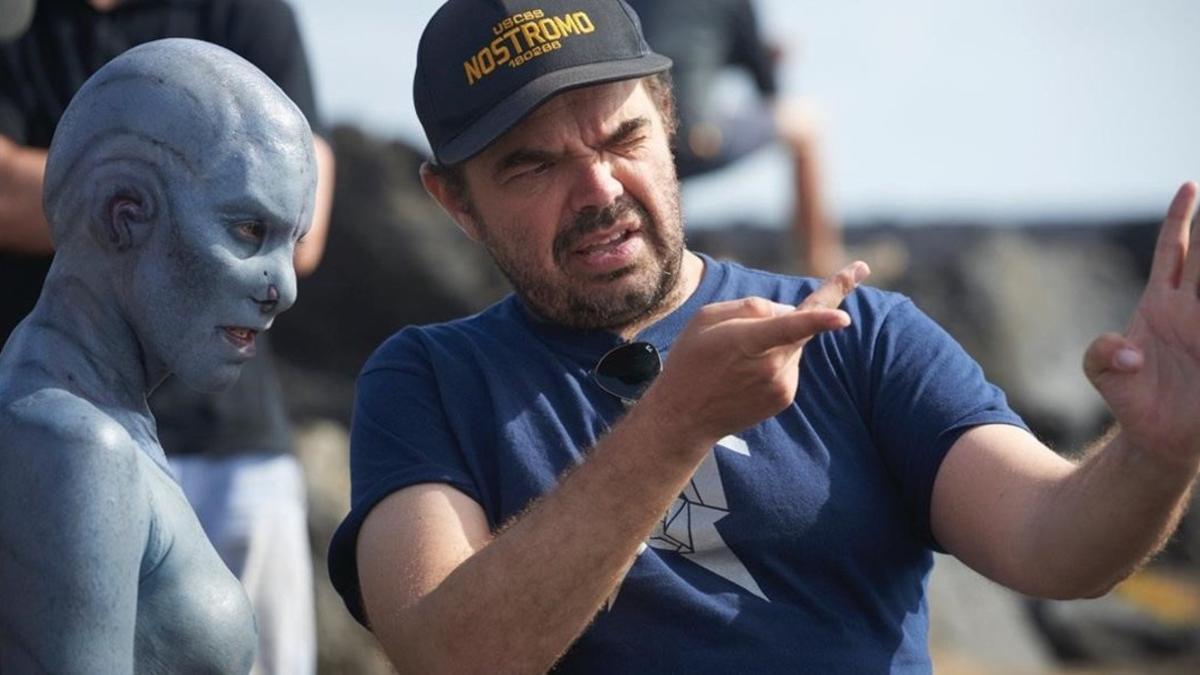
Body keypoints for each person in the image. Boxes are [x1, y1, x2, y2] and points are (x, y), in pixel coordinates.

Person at [328, 0, 1200, 671]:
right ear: (454, 201)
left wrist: (1156, 451)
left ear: (669, 119)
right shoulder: (425, 380)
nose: (598, 187)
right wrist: (675, 423)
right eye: (533, 163)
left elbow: (1054, 539)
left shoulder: (858, 335)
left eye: (622, 135)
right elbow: (447, 651)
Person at [0, 2, 333, 672]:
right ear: (125, 214)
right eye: (246, 231)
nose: (283, 285)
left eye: (283, 239)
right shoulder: (78, 444)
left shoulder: (89, 419)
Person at [626, 0, 842, 276]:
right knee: (804, 122)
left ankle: (663, 265)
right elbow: (768, 88)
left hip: (637, 138)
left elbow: (670, 50)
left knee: (666, 143)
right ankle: (820, 265)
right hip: (697, 138)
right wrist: (766, 56)